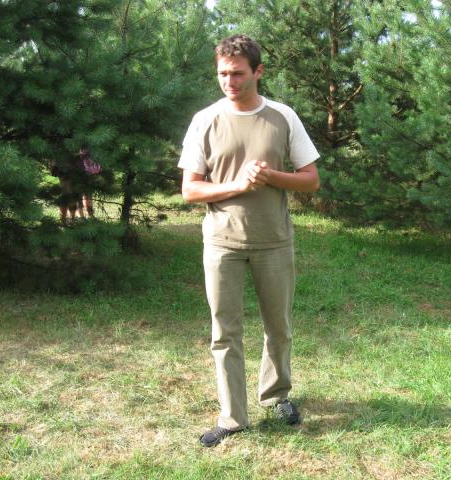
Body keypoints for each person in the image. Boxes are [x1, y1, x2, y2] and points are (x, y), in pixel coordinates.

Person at [179, 34, 320, 448]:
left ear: (258, 72)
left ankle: (276, 397)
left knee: (278, 327)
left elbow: (311, 180)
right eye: (223, 73)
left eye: (238, 73)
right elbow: (190, 190)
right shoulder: (205, 119)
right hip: (221, 243)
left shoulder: (282, 116)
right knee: (225, 332)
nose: (229, 81)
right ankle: (233, 417)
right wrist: (237, 185)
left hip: (274, 241)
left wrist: (271, 176)